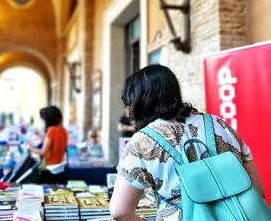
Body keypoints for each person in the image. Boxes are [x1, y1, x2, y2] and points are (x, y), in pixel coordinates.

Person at [109, 65, 265, 221]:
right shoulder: (220, 125)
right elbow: (257, 189)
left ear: (142, 102)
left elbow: (120, 211)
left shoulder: (143, 141)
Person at [25, 105, 68, 184]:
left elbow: (43, 152)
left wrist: (29, 147)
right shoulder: (63, 130)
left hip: (49, 169)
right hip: (59, 169)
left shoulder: (52, 130)